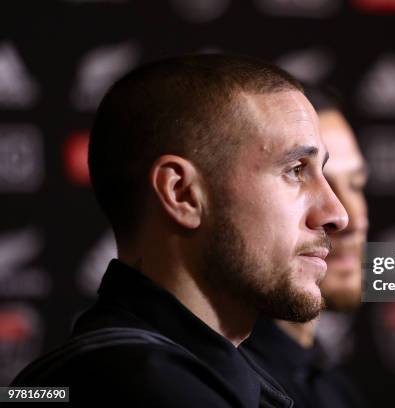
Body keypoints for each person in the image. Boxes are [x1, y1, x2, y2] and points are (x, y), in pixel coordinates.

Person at [10, 54, 348, 407]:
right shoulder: (140, 386)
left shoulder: (200, 376)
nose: (337, 214)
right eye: (295, 170)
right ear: (182, 194)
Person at [241, 86, 369, 408]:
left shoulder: (334, 384)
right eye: (299, 175)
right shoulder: (222, 386)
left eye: (356, 184)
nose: (348, 219)